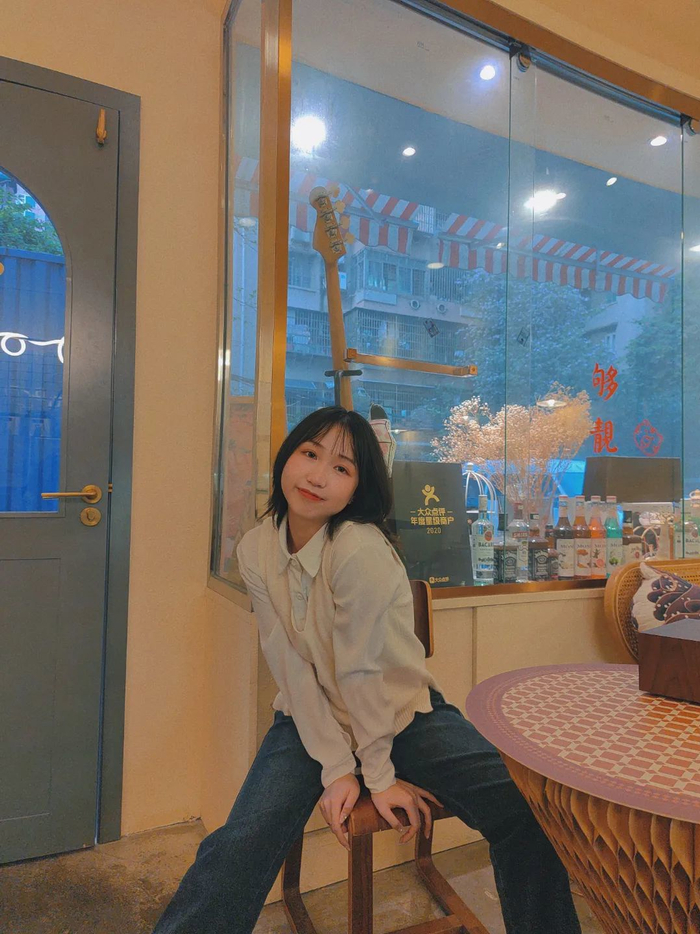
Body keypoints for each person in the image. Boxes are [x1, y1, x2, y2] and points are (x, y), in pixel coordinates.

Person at [152, 406, 582, 934]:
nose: (317, 476)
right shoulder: (256, 549)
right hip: (311, 719)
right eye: (310, 454)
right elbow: (289, 665)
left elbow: (362, 674)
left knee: (529, 813)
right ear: (286, 458)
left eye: (342, 468)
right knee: (239, 843)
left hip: (402, 713)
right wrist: (339, 769)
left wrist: (376, 775)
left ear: (358, 488)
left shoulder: (359, 548)